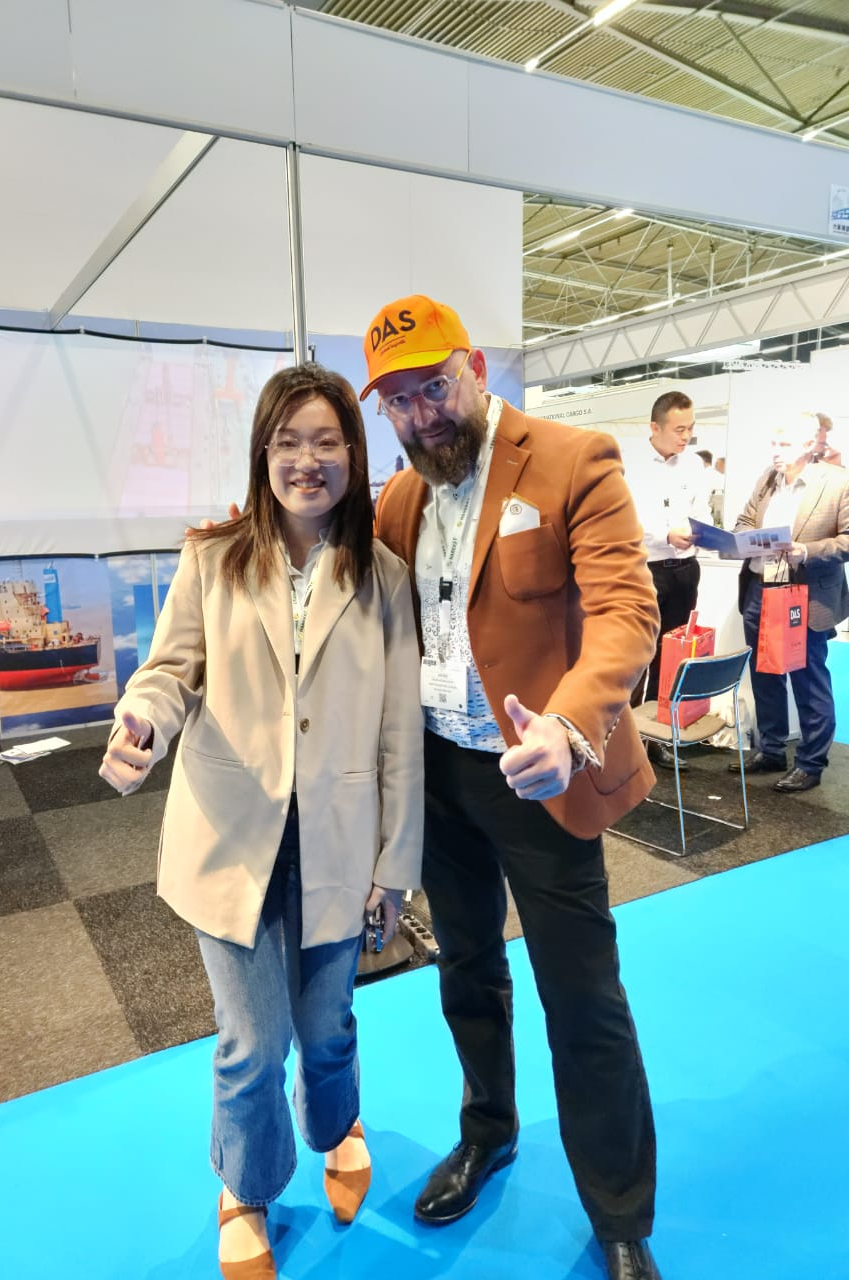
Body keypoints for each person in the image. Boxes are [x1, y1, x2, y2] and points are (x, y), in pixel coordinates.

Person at [361, 295, 663, 1280]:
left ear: (477, 367)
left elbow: (625, 611)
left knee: (583, 995)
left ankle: (619, 1211)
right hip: (438, 773)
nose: (422, 415)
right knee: (465, 969)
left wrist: (569, 728)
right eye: (399, 401)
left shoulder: (574, 460)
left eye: (435, 387)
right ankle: (487, 1130)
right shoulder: (398, 500)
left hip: (541, 771)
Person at [99, 362, 423, 1280]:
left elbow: (399, 733)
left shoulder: (384, 577)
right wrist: (142, 722)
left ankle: (338, 1123)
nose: (306, 461)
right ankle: (244, 1186)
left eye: (326, 442)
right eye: (288, 442)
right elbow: (170, 673)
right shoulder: (213, 558)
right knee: (253, 1040)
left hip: (339, 838)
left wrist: (395, 867)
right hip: (229, 832)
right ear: (262, 454)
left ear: (354, 455)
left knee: (328, 1026)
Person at [729, 415, 849, 793]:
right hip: (760, 587)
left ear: (809, 445)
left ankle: (811, 763)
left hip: (806, 593)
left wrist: (806, 551)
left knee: (808, 677)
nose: (775, 453)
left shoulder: (838, 482)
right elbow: (743, 522)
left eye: (783, 446)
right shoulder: (768, 479)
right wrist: (748, 540)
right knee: (765, 672)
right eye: (773, 445)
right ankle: (771, 749)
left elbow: (847, 540)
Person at [624, 391, 711, 768]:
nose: (686, 436)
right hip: (647, 569)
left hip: (685, 571)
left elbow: (701, 510)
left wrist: (703, 532)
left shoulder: (693, 465)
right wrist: (664, 536)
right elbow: (624, 519)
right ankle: (624, 740)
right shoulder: (630, 465)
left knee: (671, 658)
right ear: (654, 427)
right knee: (635, 657)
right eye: (679, 429)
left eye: (690, 428)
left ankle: (657, 739)